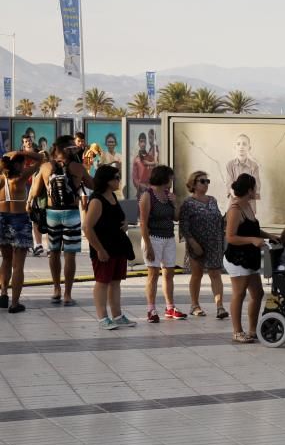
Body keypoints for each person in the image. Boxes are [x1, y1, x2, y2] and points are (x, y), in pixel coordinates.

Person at [28, 135, 94, 306]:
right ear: (67, 150)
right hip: (71, 213)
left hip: (52, 214)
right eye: (72, 147)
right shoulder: (78, 167)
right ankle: (67, 294)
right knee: (70, 254)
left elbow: (35, 192)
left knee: (54, 252)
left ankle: (56, 289)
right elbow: (93, 185)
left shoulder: (45, 167)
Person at [224, 173, 277, 343]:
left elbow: (253, 229)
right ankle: (237, 331)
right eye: (254, 187)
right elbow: (230, 237)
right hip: (238, 257)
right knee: (239, 293)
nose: (256, 190)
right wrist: (252, 240)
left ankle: (253, 330)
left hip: (250, 256)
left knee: (257, 293)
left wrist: (271, 236)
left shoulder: (248, 206)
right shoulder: (235, 209)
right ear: (249, 189)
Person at [82, 165, 136, 330]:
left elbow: (118, 217)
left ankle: (117, 315)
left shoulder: (112, 196)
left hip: (118, 246)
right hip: (104, 248)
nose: (119, 180)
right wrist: (99, 249)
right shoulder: (97, 200)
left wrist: (125, 223)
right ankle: (102, 317)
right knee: (102, 282)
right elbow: (87, 227)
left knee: (115, 282)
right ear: (107, 180)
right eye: (116, 177)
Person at [139, 165, 185, 322]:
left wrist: (175, 203)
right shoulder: (148, 195)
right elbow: (143, 223)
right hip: (153, 238)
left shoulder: (168, 195)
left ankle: (170, 307)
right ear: (163, 178)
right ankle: (151, 309)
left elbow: (176, 217)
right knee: (153, 274)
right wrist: (148, 245)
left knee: (169, 273)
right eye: (170, 178)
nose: (171, 181)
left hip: (169, 237)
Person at [179, 171, 228, 320]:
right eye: (202, 181)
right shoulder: (188, 203)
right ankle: (195, 305)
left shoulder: (212, 200)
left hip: (215, 242)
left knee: (215, 274)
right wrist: (193, 243)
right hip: (197, 244)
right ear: (193, 184)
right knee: (197, 274)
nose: (206, 184)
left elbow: (219, 219)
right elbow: (184, 226)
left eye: (207, 181)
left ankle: (220, 306)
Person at [0, 151, 41, 313]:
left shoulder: (2, 178)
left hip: (1, 218)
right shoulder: (21, 177)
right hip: (19, 219)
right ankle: (15, 304)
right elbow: (41, 158)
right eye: (22, 162)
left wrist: (8, 156)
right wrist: (21, 152)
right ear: (17, 164)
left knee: (6, 259)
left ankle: (3, 293)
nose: (25, 165)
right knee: (18, 265)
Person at [225, 134, 262, 207]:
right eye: (238, 144)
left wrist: (245, 198)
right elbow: (229, 185)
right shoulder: (230, 165)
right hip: (234, 204)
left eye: (244, 144)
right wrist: (238, 199)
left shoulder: (254, 166)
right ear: (235, 147)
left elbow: (256, 186)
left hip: (249, 204)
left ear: (249, 148)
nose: (241, 146)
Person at [131, 131, 154, 196]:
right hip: (141, 191)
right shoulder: (136, 159)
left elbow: (154, 174)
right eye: (141, 141)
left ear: (146, 142)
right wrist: (140, 186)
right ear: (138, 143)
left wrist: (151, 186)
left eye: (144, 141)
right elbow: (134, 178)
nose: (143, 144)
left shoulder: (150, 158)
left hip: (151, 190)